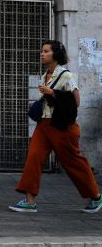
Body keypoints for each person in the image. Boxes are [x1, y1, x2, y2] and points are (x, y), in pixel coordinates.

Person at [9, 40, 102, 213]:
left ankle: (96, 196)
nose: (42, 54)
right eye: (41, 51)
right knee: (34, 157)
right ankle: (30, 201)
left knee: (73, 162)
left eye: (46, 51)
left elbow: (76, 101)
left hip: (62, 127)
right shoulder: (45, 74)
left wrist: (52, 93)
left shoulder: (65, 75)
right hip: (44, 125)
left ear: (55, 55)